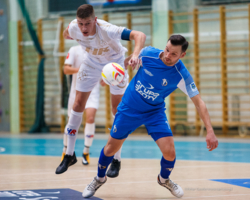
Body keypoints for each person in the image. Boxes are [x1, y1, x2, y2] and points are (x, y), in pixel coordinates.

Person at [82, 35, 219, 198]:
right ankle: (99, 178)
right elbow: (129, 61)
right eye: (167, 50)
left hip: (154, 112)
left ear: (182, 55)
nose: (167, 55)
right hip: (129, 108)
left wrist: (210, 130)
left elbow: (199, 102)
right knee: (111, 148)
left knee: (170, 153)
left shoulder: (181, 74)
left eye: (174, 54)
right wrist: (116, 71)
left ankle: (164, 179)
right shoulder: (148, 54)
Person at [55, 4, 146, 175]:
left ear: (95, 20)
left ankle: (116, 159)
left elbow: (139, 35)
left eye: (88, 23)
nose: (84, 28)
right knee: (77, 105)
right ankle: (69, 155)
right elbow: (66, 33)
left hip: (114, 65)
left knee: (117, 110)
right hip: (91, 64)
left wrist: (134, 54)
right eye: (81, 23)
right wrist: (70, 33)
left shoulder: (107, 29)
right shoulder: (75, 27)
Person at [62, 45, 102, 165]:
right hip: (77, 91)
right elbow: (66, 69)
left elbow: (105, 68)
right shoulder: (74, 50)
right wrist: (80, 70)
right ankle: (66, 151)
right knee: (71, 121)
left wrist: (107, 77)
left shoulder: (99, 49)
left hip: (93, 90)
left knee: (90, 118)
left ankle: (86, 151)